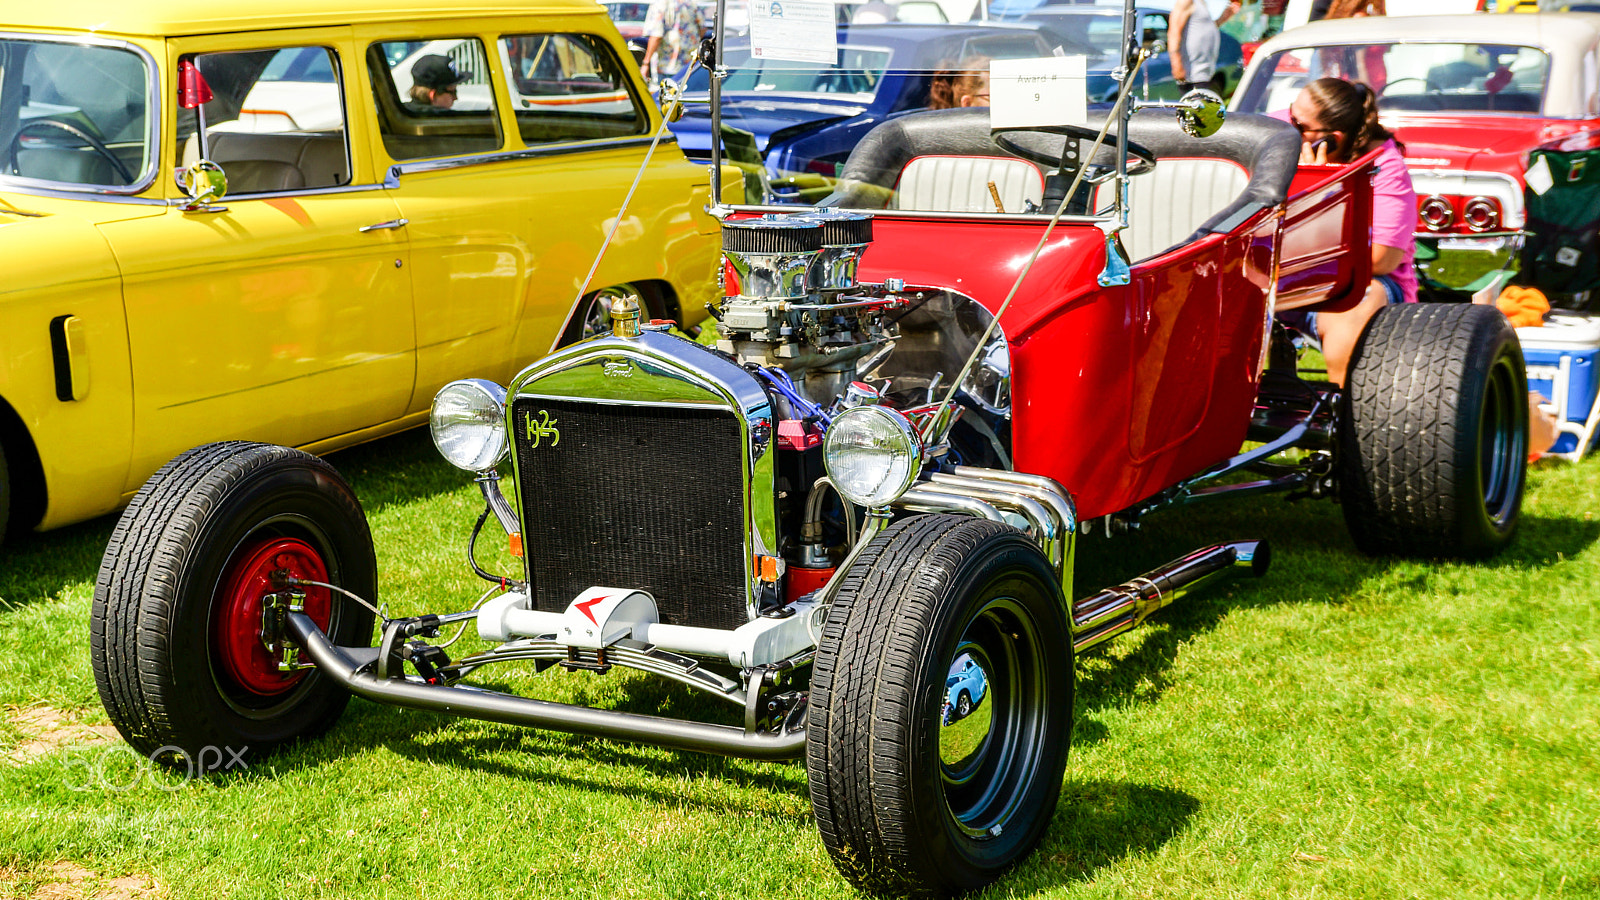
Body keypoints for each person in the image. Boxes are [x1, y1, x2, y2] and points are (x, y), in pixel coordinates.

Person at [1281, 77, 1416, 386]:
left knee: (1355, 305)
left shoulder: (1385, 167)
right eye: (1289, 116)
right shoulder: (1286, 132)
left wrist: (1318, 187)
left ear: (1333, 139)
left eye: (1298, 126)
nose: (1288, 130)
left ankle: (1346, 414)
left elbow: (1382, 258)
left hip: (1359, 282)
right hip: (1284, 275)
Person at [1171, 0, 1240, 93]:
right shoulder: (1186, 2)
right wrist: (1176, 65)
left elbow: (1207, 29)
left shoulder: (1201, 4)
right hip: (1192, 75)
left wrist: (1225, 16)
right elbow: (1173, 32)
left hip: (1204, 73)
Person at [641, 0, 705, 84]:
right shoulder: (692, 3)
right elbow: (702, 28)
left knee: (667, 94)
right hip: (690, 64)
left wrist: (646, 62)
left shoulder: (660, 5)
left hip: (667, 65)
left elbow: (656, 36)